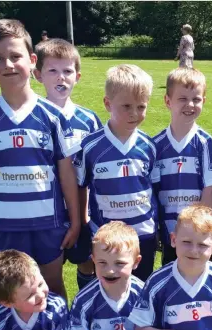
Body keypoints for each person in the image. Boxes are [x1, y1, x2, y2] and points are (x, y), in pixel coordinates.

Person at [0, 19, 81, 302]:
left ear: (32, 61)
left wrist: (74, 221)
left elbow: (66, 172)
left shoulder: (53, 117)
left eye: (16, 56)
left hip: (49, 223)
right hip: (5, 226)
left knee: (52, 286)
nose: (8, 64)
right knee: (12, 291)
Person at [74, 64, 158, 283]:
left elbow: (153, 188)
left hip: (143, 233)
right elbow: (80, 186)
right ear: (107, 103)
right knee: (107, 289)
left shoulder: (149, 145)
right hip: (105, 236)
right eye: (126, 106)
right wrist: (83, 223)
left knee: (141, 290)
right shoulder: (90, 147)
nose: (135, 114)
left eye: (141, 106)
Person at [34, 38, 103, 290]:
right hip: (46, 210)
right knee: (50, 270)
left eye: (67, 71)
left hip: (84, 209)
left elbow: (97, 165)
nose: (60, 78)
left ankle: (84, 309)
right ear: (38, 75)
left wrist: (86, 212)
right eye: (52, 71)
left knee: (87, 262)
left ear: (78, 76)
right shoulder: (34, 118)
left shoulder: (89, 119)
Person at [129, 204, 212, 330]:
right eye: (187, 242)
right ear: (173, 240)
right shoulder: (157, 283)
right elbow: (140, 328)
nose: (194, 250)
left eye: (203, 245)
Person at [153, 67, 212, 265]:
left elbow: (210, 189)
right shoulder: (156, 145)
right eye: (182, 99)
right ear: (168, 101)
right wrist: (158, 226)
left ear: (204, 102)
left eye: (196, 99)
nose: (190, 104)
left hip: (199, 237)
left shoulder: (205, 143)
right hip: (170, 233)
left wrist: (202, 229)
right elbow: (154, 191)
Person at [68, 221, 150, 330]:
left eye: (119, 263)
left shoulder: (145, 295)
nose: (110, 271)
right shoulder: (83, 300)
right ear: (93, 260)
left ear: (136, 262)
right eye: (102, 263)